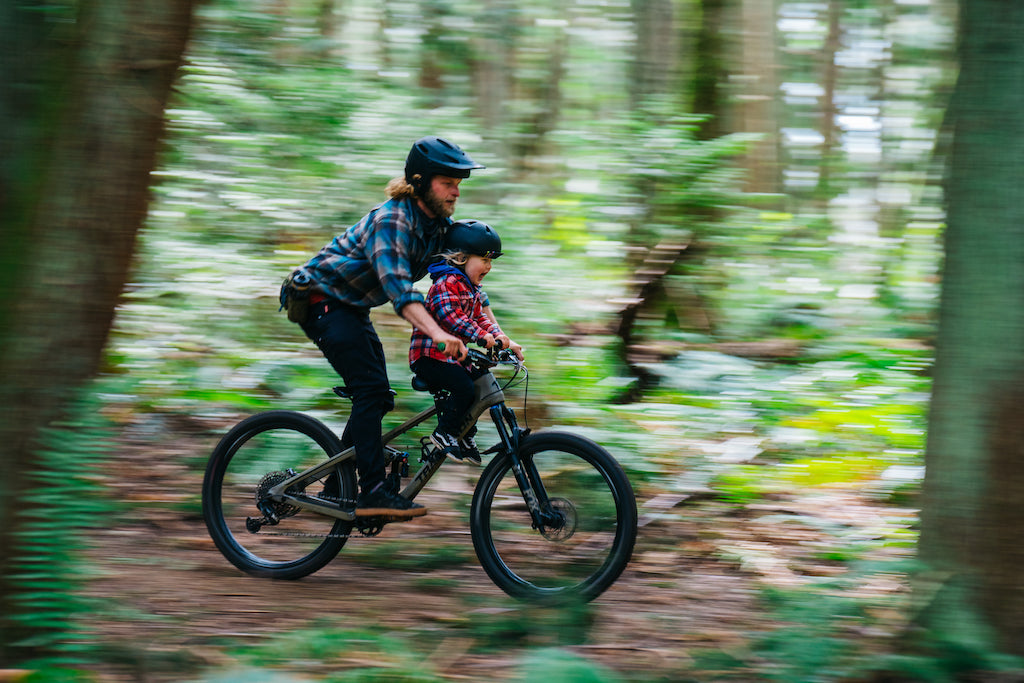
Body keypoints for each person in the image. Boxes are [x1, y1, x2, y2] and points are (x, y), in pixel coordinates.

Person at [283, 136, 486, 519]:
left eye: (459, 183)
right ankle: (372, 492)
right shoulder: (392, 220)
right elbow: (400, 292)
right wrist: (440, 335)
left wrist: (487, 329)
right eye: (448, 182)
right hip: (320, 300)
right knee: (371, 392)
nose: (457, 191)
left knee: (378, 397)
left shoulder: (438, 227)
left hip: (351, 307)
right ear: (421, 180)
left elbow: (456, 280)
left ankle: (334, 490)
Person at [409, 220, 524, 465]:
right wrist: (480, 337)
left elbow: (480, 317)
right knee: (464, 387)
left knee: (476, 383)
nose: (489, 266)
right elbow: (450, 316)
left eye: (491, 261)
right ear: (461, 258)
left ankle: (463, 435)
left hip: (451, 358)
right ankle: (445, 432)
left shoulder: (470, 288)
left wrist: (501, 337)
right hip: (430, 357)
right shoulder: (446, 282)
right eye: (484, 260)